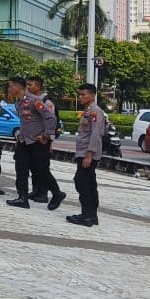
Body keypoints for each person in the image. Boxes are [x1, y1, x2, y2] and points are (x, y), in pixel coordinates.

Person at [5, 76, 65, 211]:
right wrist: (19, 137)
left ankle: (57, 193)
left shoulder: (34, 100)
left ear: (18, 87)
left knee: (41, 170)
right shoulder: (18, 103)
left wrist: (46, 135)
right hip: (24, 141)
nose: (9, 89)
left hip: (37, 142)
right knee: (21, 169)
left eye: (10, 86)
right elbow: (25, 122)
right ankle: (22, 198)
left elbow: (51, 118)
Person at [67, 83, 107, 227]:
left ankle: (87, 215)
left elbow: (96, 135)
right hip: (84, 152)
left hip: (87, 154)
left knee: (82, 182)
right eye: (80, 94)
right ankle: (91, 215)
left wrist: (89, 155)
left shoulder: (96, 112)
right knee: (89, 184)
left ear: (92, 95)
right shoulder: (88, 111)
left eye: (84, 94)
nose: (81, 97)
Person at [28, 74, 59, 201]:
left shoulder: (46, 101)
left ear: (38, 87)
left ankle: (43, 193)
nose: (28, 87)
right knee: (34, 167)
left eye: (31, 85)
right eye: (27, 84)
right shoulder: (29, 99)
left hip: (43, 139)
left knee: (42, 168)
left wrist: (48, 138)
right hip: (32, 139)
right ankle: (36, 190)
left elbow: (51, 120)